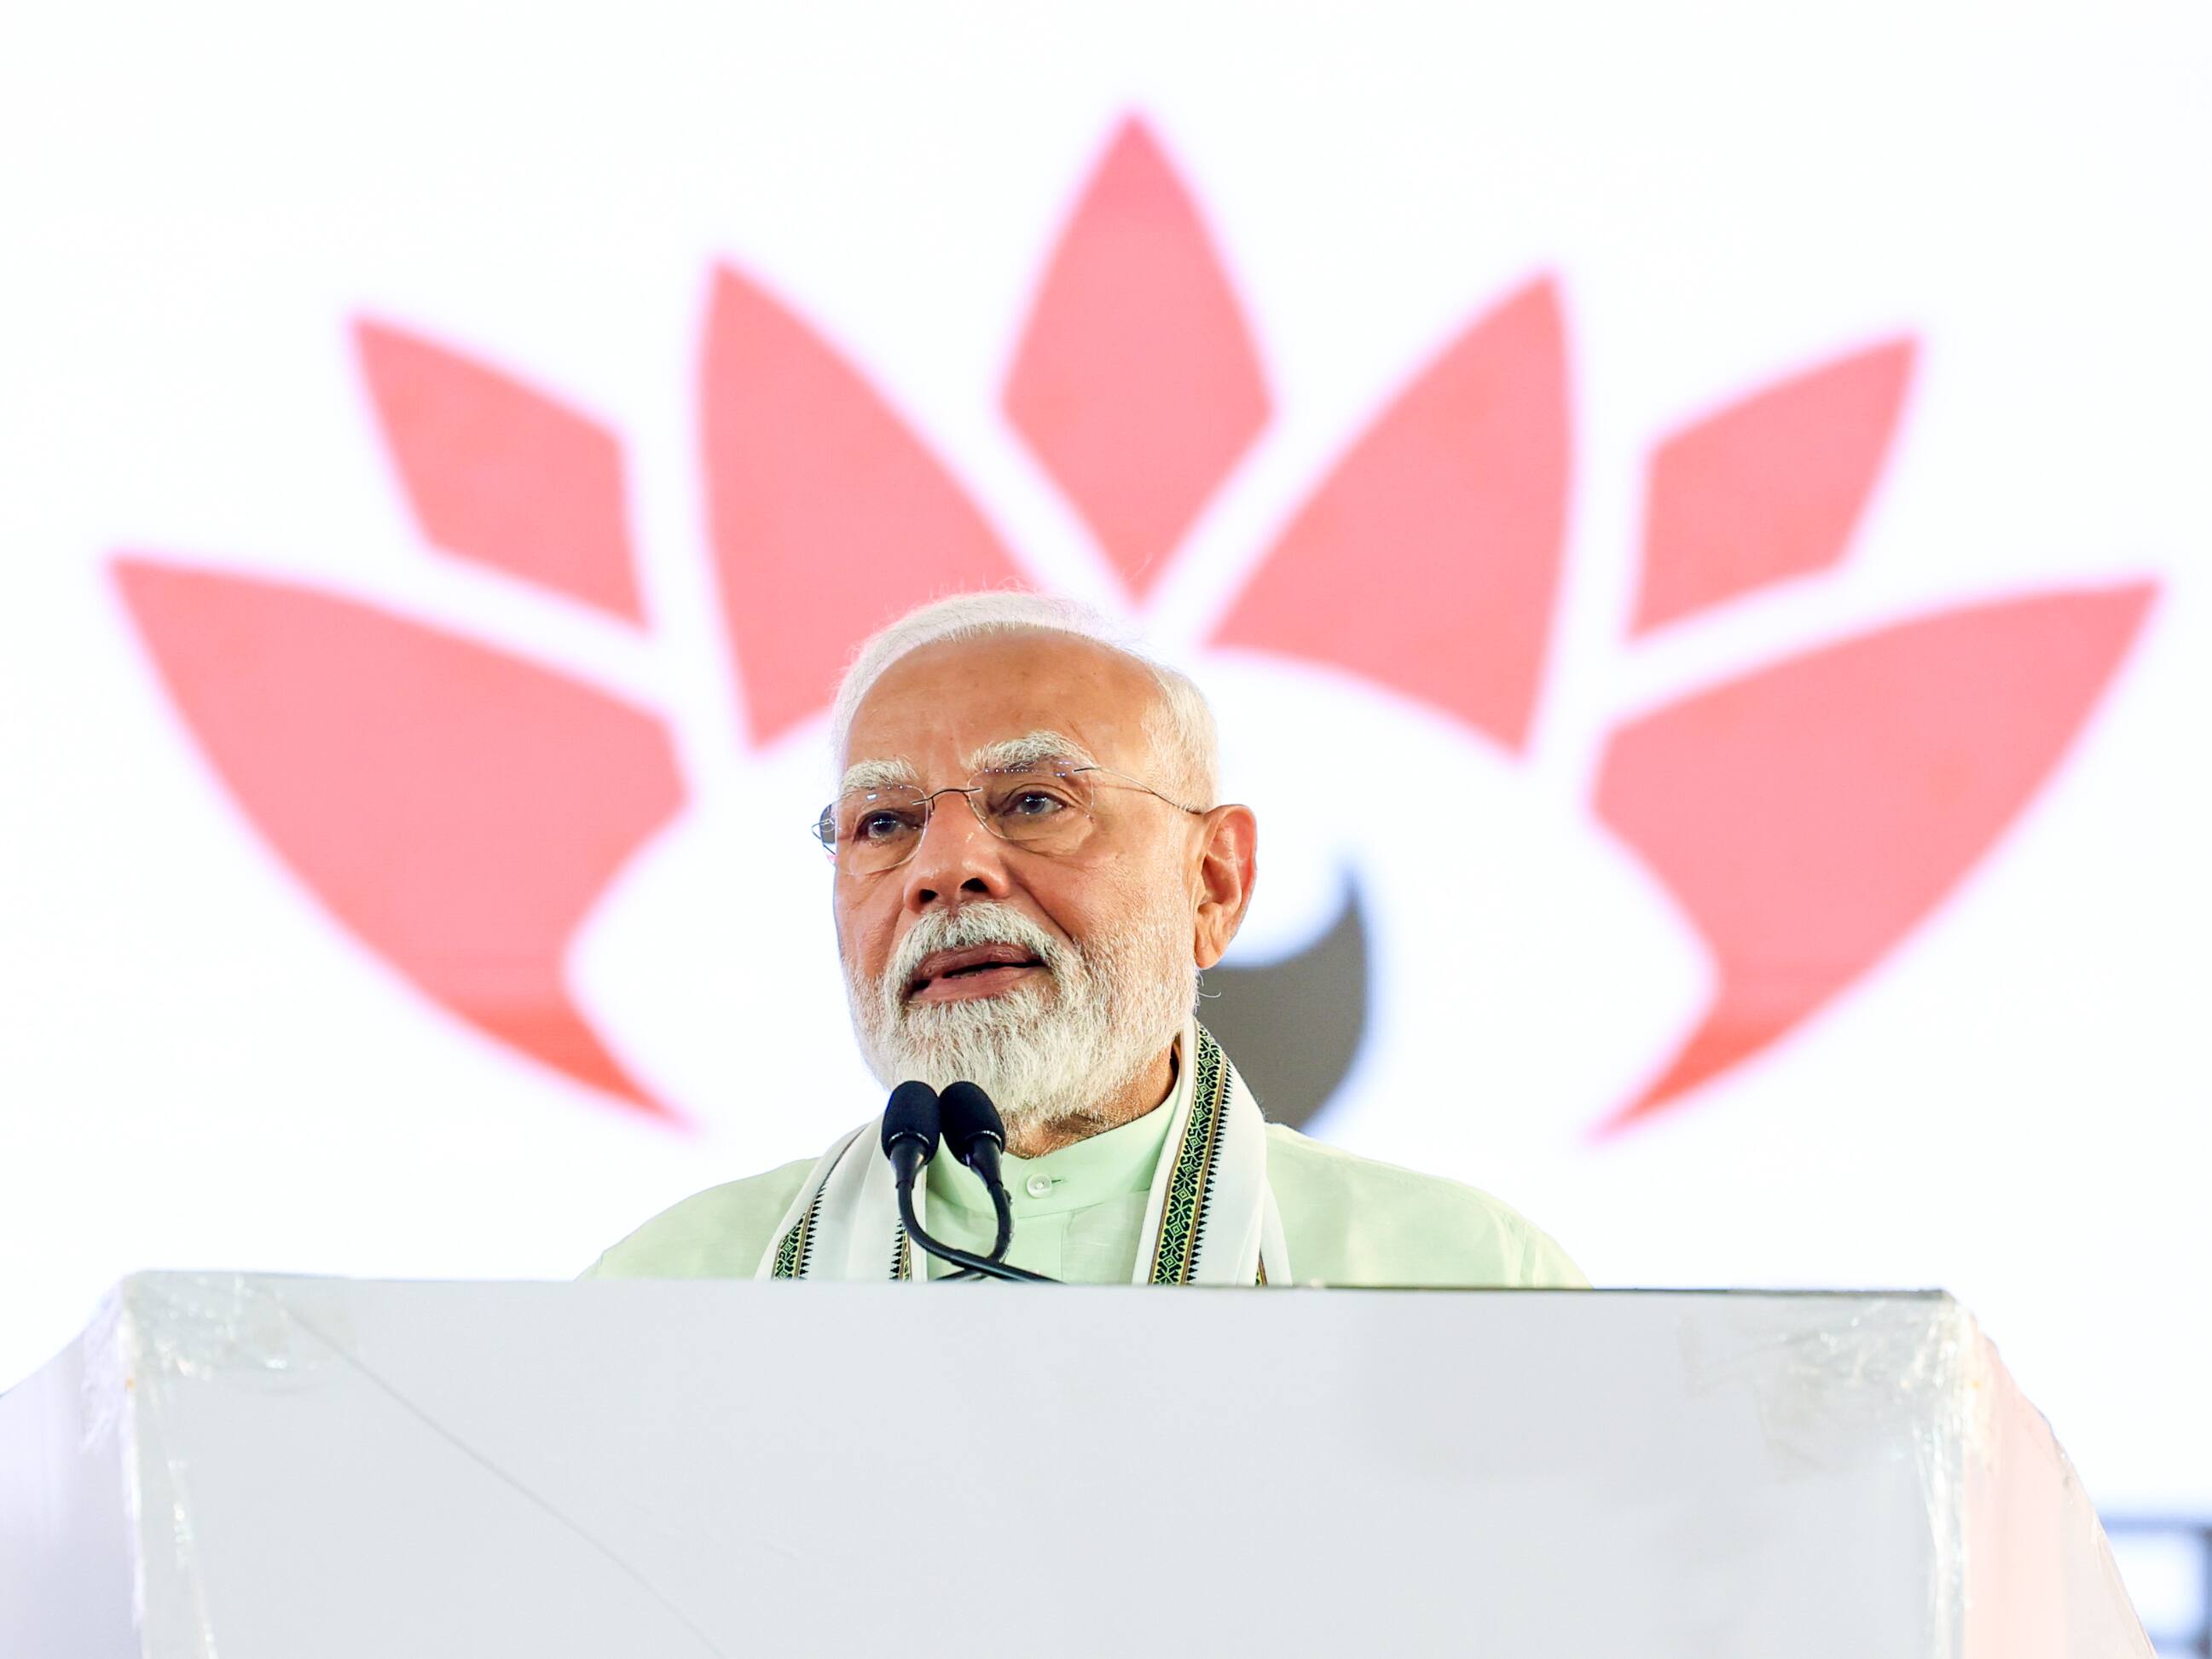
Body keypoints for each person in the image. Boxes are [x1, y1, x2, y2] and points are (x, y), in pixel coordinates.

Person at [587, 592, 1584, 1287]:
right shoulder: (673, 1292)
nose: (944, 868)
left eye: (1033, 801)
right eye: (883, 821)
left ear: (1213, 880)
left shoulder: (1460, 1283)